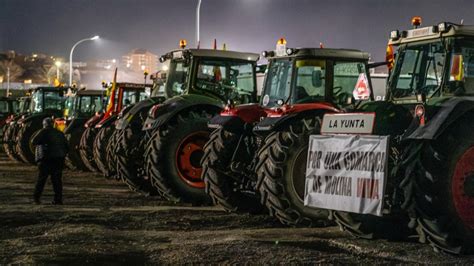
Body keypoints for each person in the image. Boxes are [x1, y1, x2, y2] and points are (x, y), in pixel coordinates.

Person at [32, 117, 68, 205]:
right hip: (58, 159)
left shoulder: (43, 131)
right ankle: (58, 199)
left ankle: (36, 198)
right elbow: (67, 147)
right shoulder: (60, 133)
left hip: (45, 159)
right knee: (57, 180)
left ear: (44, 124)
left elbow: (33, 141)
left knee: (42, 179)